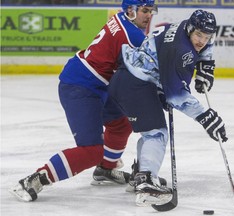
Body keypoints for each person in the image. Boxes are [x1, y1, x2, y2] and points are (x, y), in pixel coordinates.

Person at [9, 0, 158, 202]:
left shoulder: (121, 18)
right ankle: (34, 180)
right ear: (131, 11)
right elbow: (138, 71)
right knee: (92, 150)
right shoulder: (132, 36)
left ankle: (105, 170)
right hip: (81, 86)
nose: (149, 15)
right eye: (145, 11)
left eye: (151, 11)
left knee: (121, 125)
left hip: (98, 83)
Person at [108, 9, 228, 206]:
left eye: (206, 37)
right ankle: (145, 181)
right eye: (199, 35)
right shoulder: (181, 50)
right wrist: (205, 116)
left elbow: (204, 42)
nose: (202, 41)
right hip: (134, 85)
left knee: (150, 132)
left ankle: (140, 174)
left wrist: (206, 64)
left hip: (130, 80)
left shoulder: (186, 27)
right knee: (156, 133)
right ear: (191, 29)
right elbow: (175, 95)